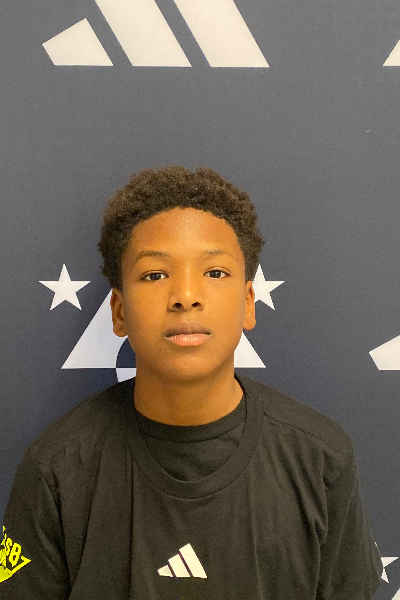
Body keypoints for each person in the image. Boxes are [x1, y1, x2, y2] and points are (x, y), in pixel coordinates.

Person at [0, 166, 382, 599]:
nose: (186, 296)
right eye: (155, 274)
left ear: (248, 303)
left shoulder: (321, 458)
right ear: (119, 312)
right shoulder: (56, 469)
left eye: (215, 272)